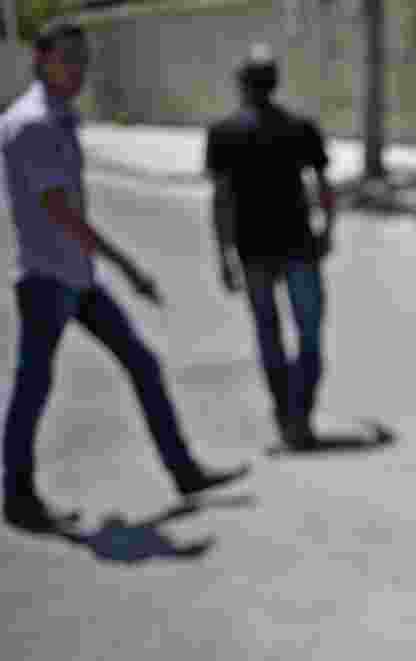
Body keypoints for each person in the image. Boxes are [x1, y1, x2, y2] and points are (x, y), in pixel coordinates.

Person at [1, 21, 250, 534]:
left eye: (83, 58)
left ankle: (183, 472)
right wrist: (128, 266)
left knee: (141, 364)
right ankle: (18, 497)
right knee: (33, 388)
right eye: (68, 58)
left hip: (75, 276)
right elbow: (61, 214)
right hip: (48, 280)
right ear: (41, 59)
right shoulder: (33, 124)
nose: (80, 69)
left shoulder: (55, 118)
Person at [204, 44, 336, 449]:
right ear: (274, 83)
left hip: (253, 251)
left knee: (269, 334)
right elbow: (324, 189)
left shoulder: (223, 133)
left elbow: (222, 199)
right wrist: (328, 230)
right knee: (309, 332)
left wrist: (224, 254)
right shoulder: (300, 128)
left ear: (242, 86)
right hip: (299, 246)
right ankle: (302, 413)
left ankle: (286, 418)